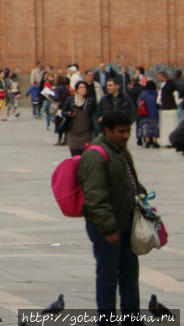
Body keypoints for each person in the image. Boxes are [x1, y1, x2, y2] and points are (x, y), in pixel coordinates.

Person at [77, 109, 143, 315]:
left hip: (125, 223)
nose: (126, 136)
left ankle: (131, 317)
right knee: (108, 277)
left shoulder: (121, 151)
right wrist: (108, 229)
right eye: (121, 131)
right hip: (106, 227)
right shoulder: (95, 156)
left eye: (128, 131)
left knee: (129, 275)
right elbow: (95, 197)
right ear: (107, 130)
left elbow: (131, 182)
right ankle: (106, 319)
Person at [63, 81, 97, 156]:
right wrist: (68, 114)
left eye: (85, 87)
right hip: (73, 133)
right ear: (77, 90)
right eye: (81, 87)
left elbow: (95, 113)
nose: (83, 89)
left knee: (84, 156)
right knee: (74, 156)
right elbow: (62, 112)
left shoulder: (90, 101)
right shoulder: (70, 100)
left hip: (86, 133)